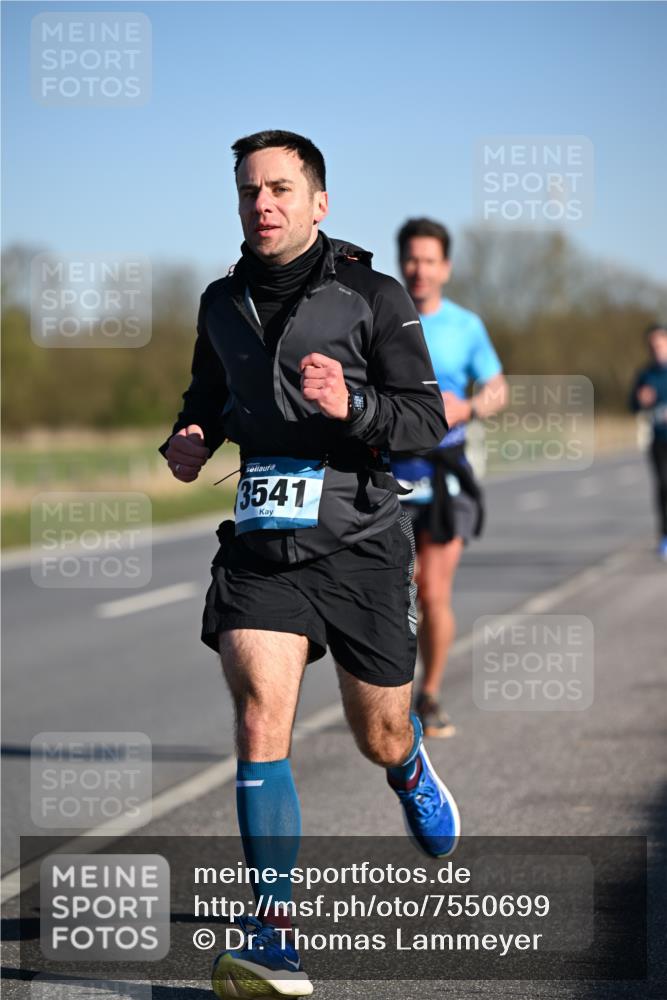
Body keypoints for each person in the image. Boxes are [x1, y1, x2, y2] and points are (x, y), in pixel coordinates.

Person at [159, 132, 460, 998]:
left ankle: (406, 768)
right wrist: (192, 437)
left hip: (364, 543)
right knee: (261, 716)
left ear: (318, 202)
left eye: (282, 188)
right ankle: (275, 933)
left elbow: (424, 418)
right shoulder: (220, 303)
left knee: (379, 732)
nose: (264, 203)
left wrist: (354, 402)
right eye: (251, 190)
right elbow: (206, 396)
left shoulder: (373, 295)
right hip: (263, 545)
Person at [391, 218, 508, 738]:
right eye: (411, 258)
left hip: (445, 477)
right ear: (401, 263)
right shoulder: (381, 318)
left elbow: (497, 388)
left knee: (432, 592)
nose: (419, 269)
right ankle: (389, 695)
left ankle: (430, 693)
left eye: (429, 259)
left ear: (446, 267)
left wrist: (470, 406)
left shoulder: (466, 326)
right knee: (394, 593)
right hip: (390, 477)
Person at [629, 323, 667, 560]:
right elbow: (631, 405)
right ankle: (664, 535)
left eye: (659, 343)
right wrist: (640, 400)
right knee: (663, 486)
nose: (655, 349)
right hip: (659, 440)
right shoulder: (645, 374)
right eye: (651, 345)